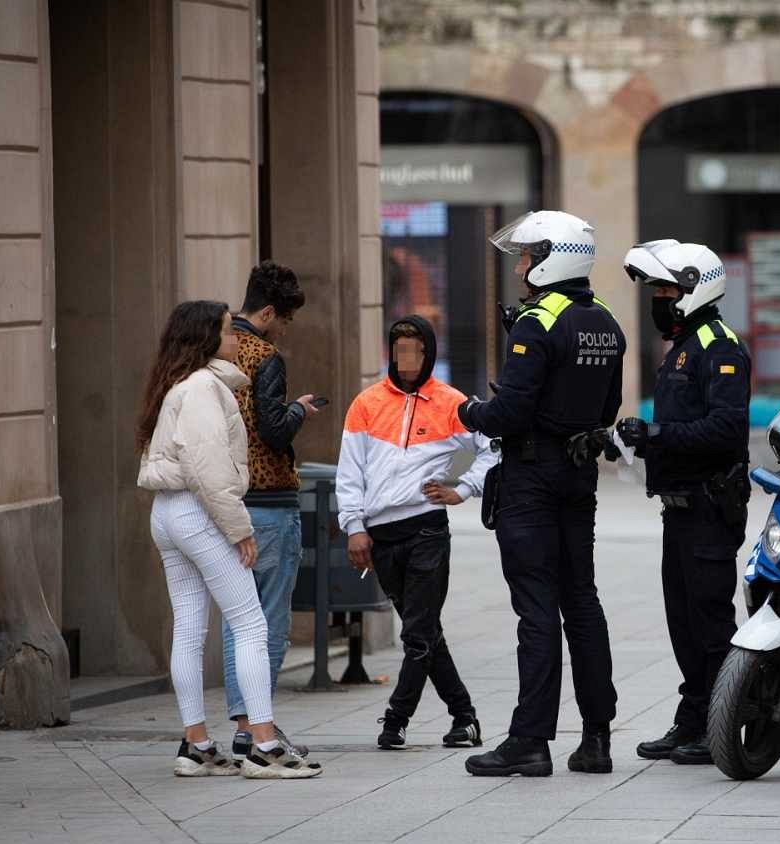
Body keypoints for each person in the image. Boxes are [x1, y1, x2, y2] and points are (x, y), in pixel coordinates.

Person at [456, 210, 626, 777]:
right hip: (579, 476)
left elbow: (509, 413)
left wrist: (469, 410)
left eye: (527, 256)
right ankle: (597, 739)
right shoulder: (605, 320)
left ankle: (530, 740)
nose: (521, 267)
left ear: (554, 259)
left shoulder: (537, 322)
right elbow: (606, 410)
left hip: (532, 477)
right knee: (582, 601)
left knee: (536, 609)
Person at [136, 300, 322, 779]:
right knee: (251, 624)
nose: (237, 338)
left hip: (170, 513)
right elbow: (209, 469)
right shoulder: (202, 388)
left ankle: (195, 743)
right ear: (206, 341)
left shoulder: (179, 384)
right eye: (226, 332)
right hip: (198, 513)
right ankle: (262, 744)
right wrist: (239, 530)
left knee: (190, 628)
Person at [618, 240, 751, 766]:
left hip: (709, 506)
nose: (660, 299)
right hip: (679, 507)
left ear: (699, 288)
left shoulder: (718, 346)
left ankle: (725, 725)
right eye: (657, 290)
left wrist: (656, 433)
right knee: (683, 620)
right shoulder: (683, 344)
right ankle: (693, 717)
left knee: (711, 621)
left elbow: (725, 428)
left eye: (668, 289)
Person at [336, 315, 496, 751]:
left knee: (417, 634)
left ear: (429, 353)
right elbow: (349, 473)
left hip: (427, 530)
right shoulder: (366, 403)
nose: (407, 359)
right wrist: (354, 527)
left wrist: (462, 489)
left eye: (416, 350)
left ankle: (396, 719)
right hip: (381, 535)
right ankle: (464, 717)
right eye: (400, 349)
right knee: (425, 633)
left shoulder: (451, 401)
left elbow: (493, 448)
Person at [223, 261, 318, 758]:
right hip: (271, 504)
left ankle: (241, 723)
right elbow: (273, 431)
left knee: (236, 619)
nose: (286, 329)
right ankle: (259, 726)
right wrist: (299, 409)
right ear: (267, 312)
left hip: (227, 504)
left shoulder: (213, 354)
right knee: (270, 620)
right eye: (284, 318)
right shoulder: (265, 356)